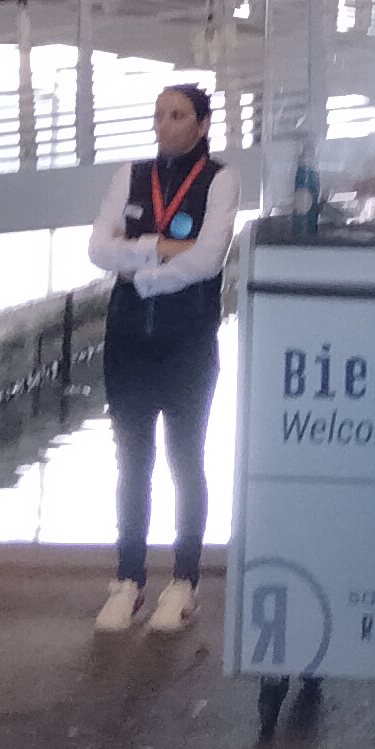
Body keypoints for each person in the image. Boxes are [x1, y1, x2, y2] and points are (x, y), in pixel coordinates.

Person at [85, 82, 231, 633]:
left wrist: (140, 273)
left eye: (177, 115)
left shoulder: (220, 180)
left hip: (187, 342)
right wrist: (161, 248)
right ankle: (129, 579)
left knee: (185, 459)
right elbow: (98, 249)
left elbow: (209, 259)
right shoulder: (130, 175)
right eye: (159, 115)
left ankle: (184, 581)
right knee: (132, 461)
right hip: (128, 341)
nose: (163, 125)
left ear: (201, 125)